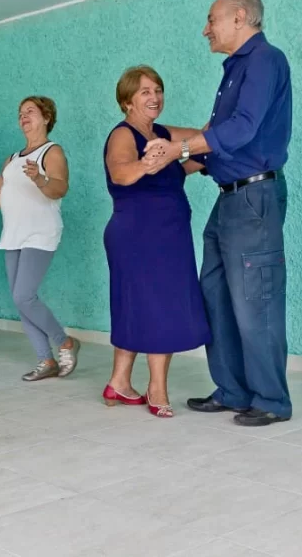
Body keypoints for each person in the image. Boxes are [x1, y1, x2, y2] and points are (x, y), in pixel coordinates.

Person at [144, 0, 293, 427]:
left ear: (240, 17)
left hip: (253, 199)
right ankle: (232, 390)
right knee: (216, 295)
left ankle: (270, 399)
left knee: (255, 301)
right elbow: (217, 136)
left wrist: (180, 148)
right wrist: (156, 145)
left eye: (212, 20)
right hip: (227, 197)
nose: (205, 29)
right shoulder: (235, 70)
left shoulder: (265, 61)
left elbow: (243, 129)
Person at [102, 66, 212, 418]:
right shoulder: (123, 134)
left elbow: (204, 140)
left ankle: (119, 382)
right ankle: (157, 389)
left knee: (138, 306)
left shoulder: (164, 133)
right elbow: (120, 172)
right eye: (145, 91)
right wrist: (148, 163)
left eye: (158, 90)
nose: (154, 97)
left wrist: (189, 150)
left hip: (169, 235)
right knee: (157, 309)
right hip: (139, 235)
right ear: (127, 101)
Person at [0, 96, 80, 382]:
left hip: (41, 232)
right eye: (20, 113)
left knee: (23, 295)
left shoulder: (52, 151)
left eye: (30, 112)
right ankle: (45, 360)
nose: (23, 117)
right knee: (21, 300)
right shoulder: (12, 160)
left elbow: (60, 188)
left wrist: (40, 179)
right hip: (13, 235)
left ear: (47, 117)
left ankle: (65, 342)